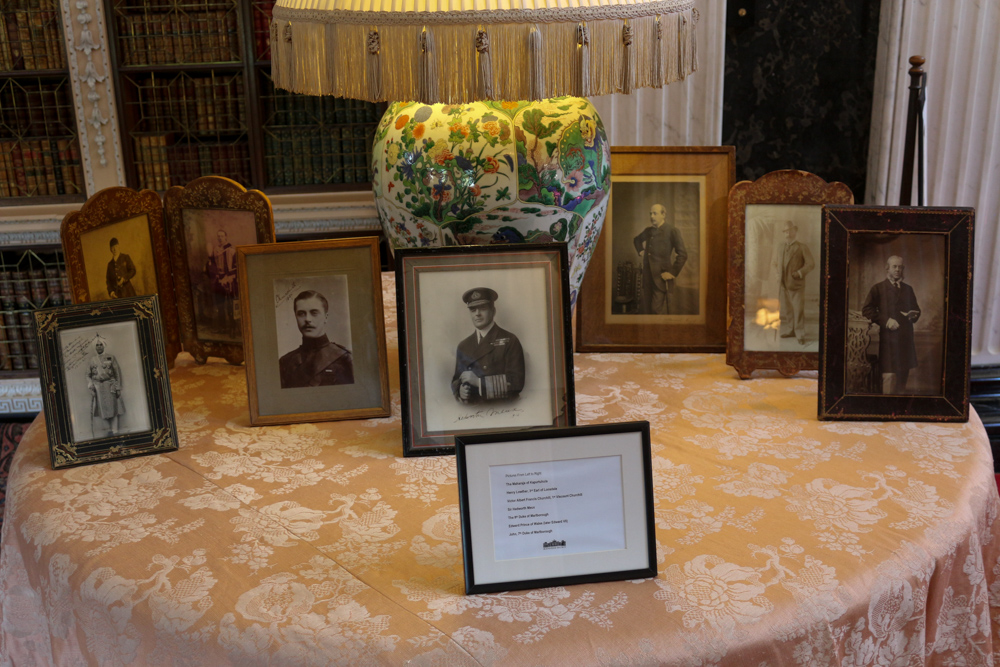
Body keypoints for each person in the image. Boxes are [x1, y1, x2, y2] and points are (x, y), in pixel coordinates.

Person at [451, 288, 525, 404]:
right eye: (473, 310)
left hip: (502, 409)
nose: (477, 314)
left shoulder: (510, 340)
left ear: (493, 311)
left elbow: (517, 382)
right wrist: (460, 390)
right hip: (471, 412)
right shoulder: (463, 345)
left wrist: (479, 383)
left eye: (483, 308)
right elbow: (456, 379)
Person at [861, 255, 921, 394]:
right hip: (888, 339)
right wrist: (886, 321)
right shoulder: (878, 288)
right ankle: (886, 407)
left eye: (900, 267)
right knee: (888, 376)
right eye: (894, 266)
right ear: (887, 268)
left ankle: (898, 408)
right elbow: (867, 310)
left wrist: (914, 314)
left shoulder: (908, 289)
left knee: (902, 376)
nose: (897, 270)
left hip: (905, 339)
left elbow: (917, 309)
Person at [278, 290, 354, 388]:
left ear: (326, 317)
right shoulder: (285, 362)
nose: (307, 319)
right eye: (301, 314)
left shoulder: (345, 359)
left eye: (314, 313)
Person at [633, 203, 688, 314]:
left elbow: (683, 254)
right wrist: (641, 251)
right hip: (648, 278)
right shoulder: (648, 231)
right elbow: (637, 239)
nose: (652, 216)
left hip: (662, 278)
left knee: (655, 311)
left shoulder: (672, 231)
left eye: (655, 213)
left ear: (663, 215)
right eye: (650, 214)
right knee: (647, 310)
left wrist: (672, 273)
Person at [776, 220, 815, 345]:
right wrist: (778, 274)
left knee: (798, 310)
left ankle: (800, 333)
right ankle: (790, 330)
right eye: (785, 231)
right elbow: (775, 263)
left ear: (795, 231)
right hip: (783, 284)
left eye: (790, 230)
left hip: (796, 285)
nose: (788, 233)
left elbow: (811, 264)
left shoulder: (802, 247)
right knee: (787, 310)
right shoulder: (780, 247)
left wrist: (799, 273)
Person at [86, 334, 125, 438]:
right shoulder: (92, 360)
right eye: (97, 345)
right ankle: (109, 432)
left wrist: (117, 387)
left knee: (114, 409)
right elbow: (88, 375)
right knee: (103, 411)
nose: (99, 347)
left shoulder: (111, 357)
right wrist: (91, 386)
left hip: (110, 385)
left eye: (100, 345)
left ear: (104, 346)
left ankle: (115, 431)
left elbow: (117, 373)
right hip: (99, 388)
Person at [206, 229, 238, 338]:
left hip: (229, 280)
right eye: (218, 236)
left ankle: (233, 328)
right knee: (220, 305)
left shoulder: (232, 250)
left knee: (230, 305)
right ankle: (222, 327)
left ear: (226, 237)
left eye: (222, 236)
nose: (220, 238)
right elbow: (213, 266)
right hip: (219, 280)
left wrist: (229, 277)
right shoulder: (215, 250)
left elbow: (236, 267)